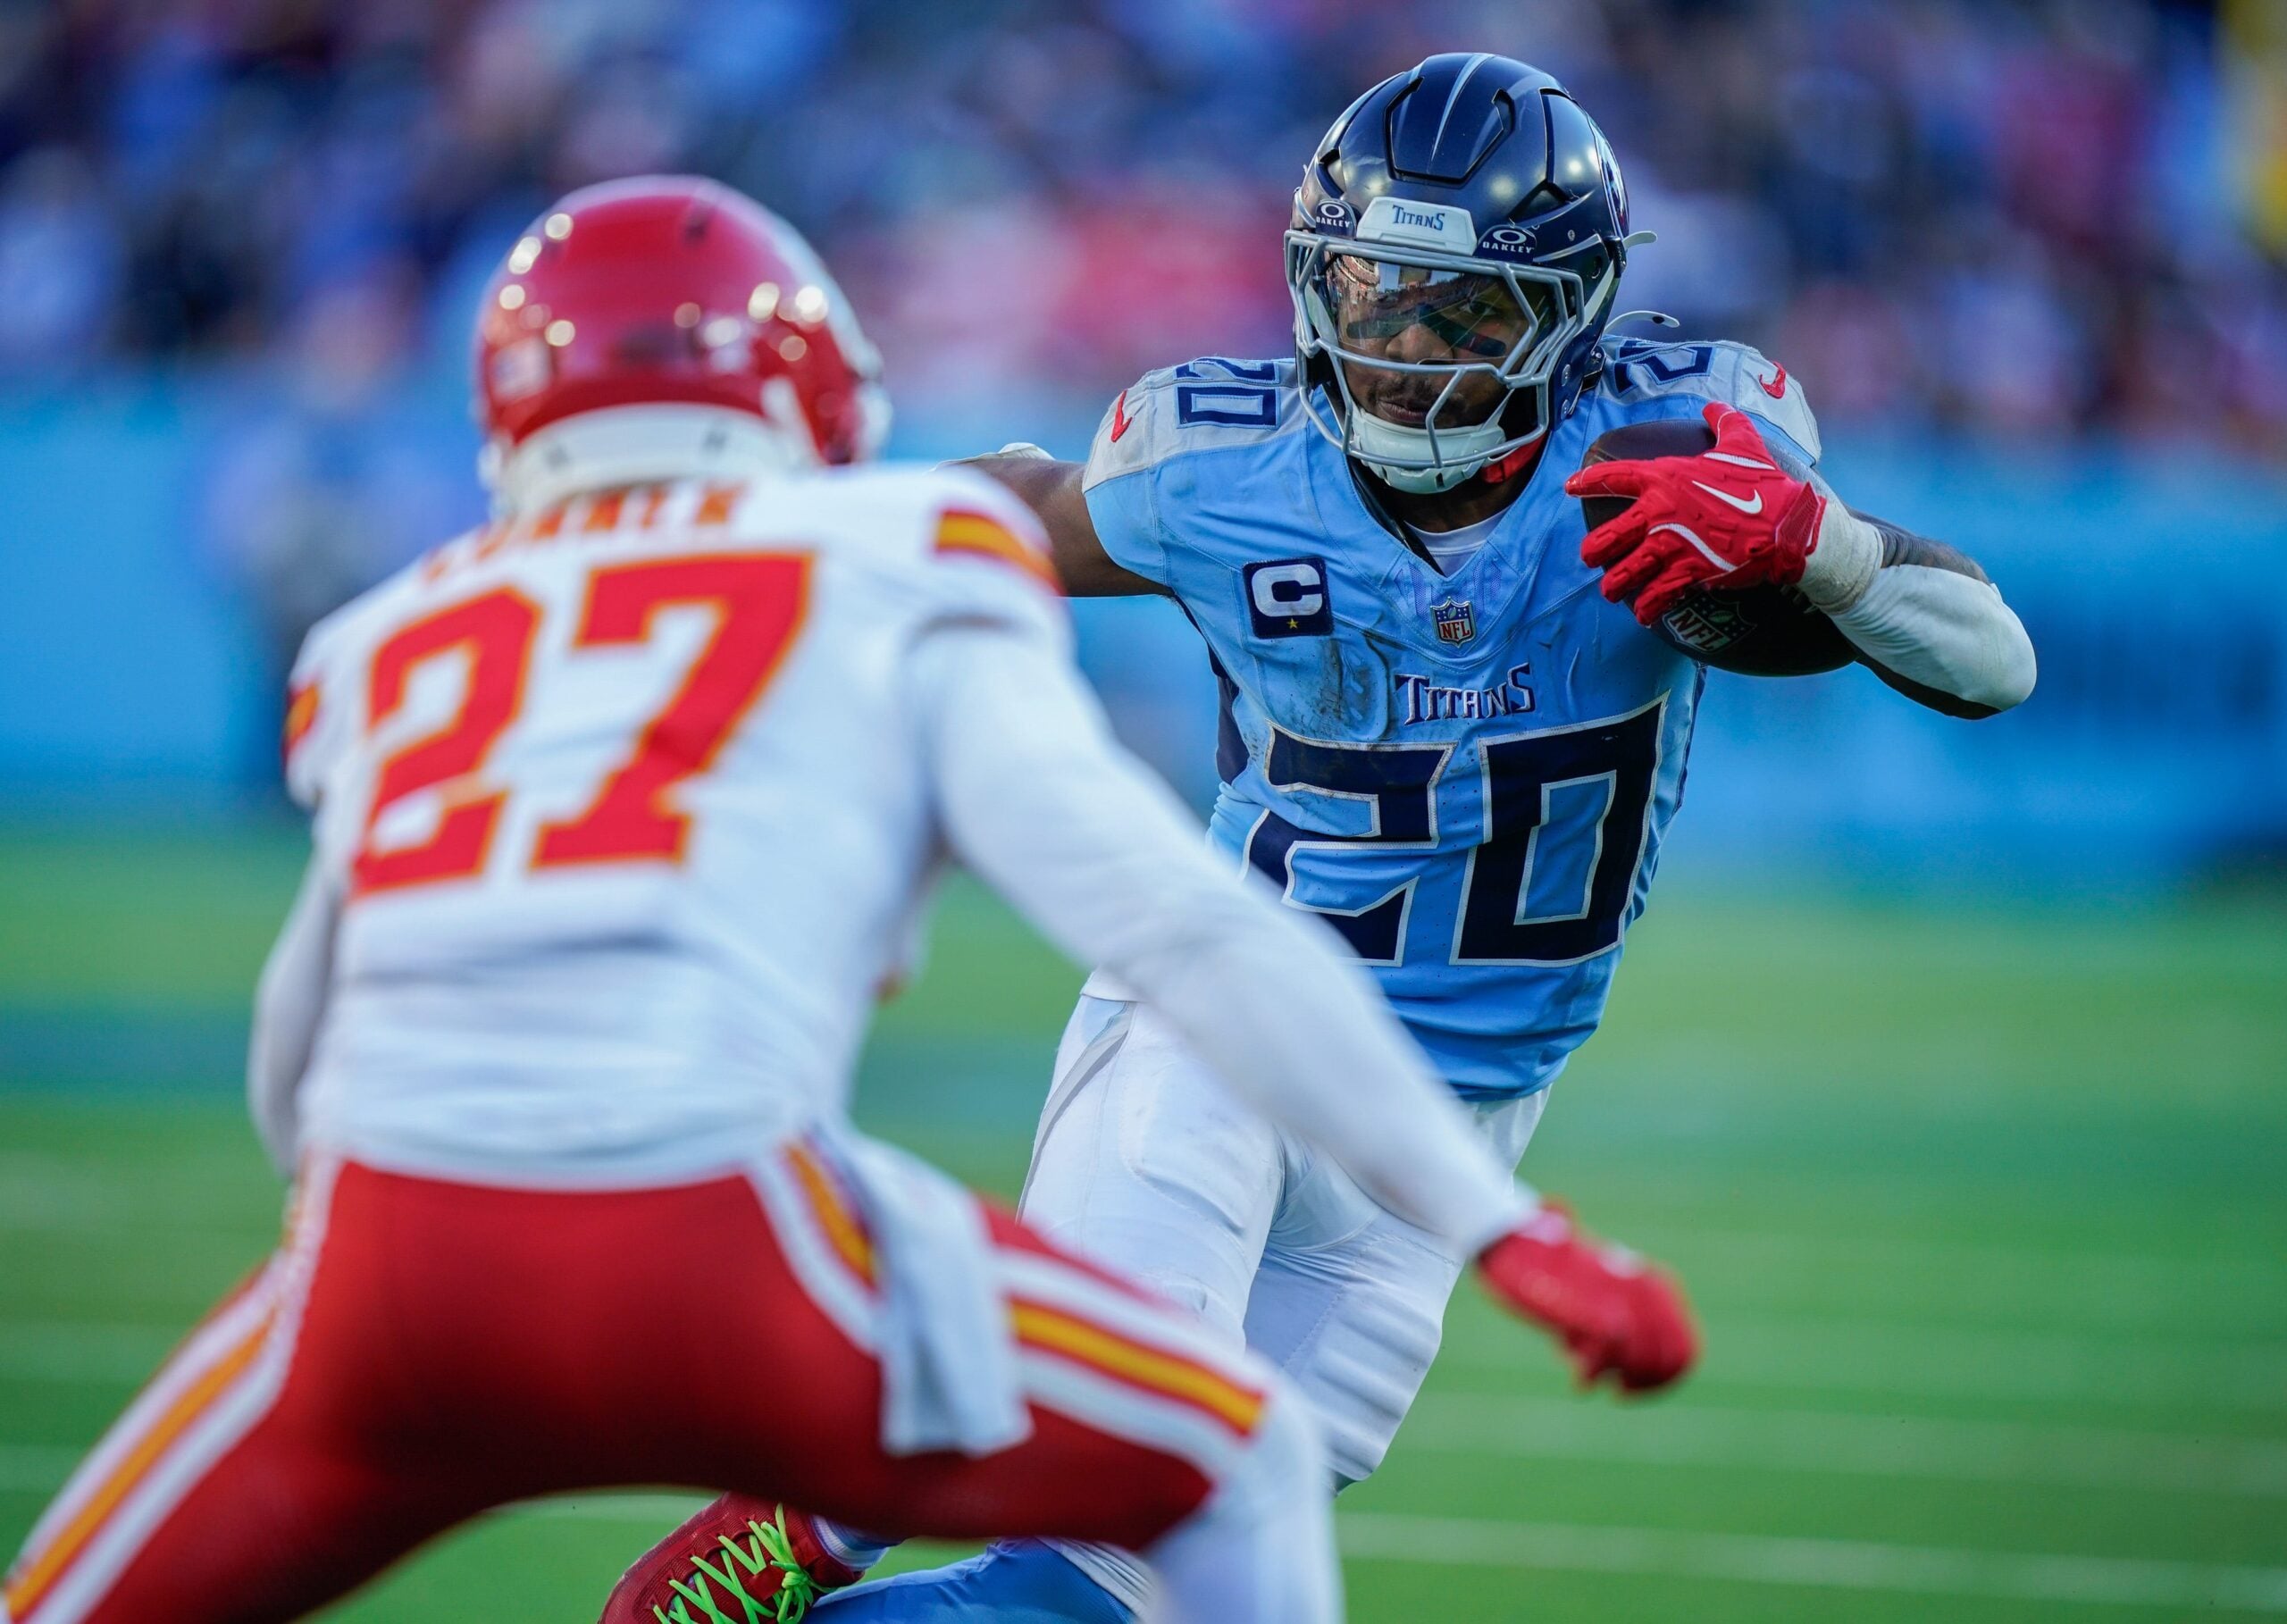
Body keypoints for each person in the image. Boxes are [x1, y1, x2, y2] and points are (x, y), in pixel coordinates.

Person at [2, 175, 1693, 1624]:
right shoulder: (891, 553)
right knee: (1233, 1457)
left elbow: (291, 1062)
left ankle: (813, 1524)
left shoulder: (390, 636)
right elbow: (1179, 920)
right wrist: (1507, 1230)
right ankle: (818, 1509)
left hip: (382, 1279)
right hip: (720, 1236)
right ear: (807, 401)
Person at [606, 54, 2037, 1623]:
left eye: (1463, 313)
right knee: (1107, 1423)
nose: (1404, 349)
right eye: (1372, 295)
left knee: (1117, 1597)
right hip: (1222, 1031)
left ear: (1570, 316)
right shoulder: (1223, 469)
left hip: (1449, 1121)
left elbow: (1990, 664)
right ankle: (824, 1497)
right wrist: (726, 555)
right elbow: (1000, 511)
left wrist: (1818, 546)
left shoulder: (1681, 450)